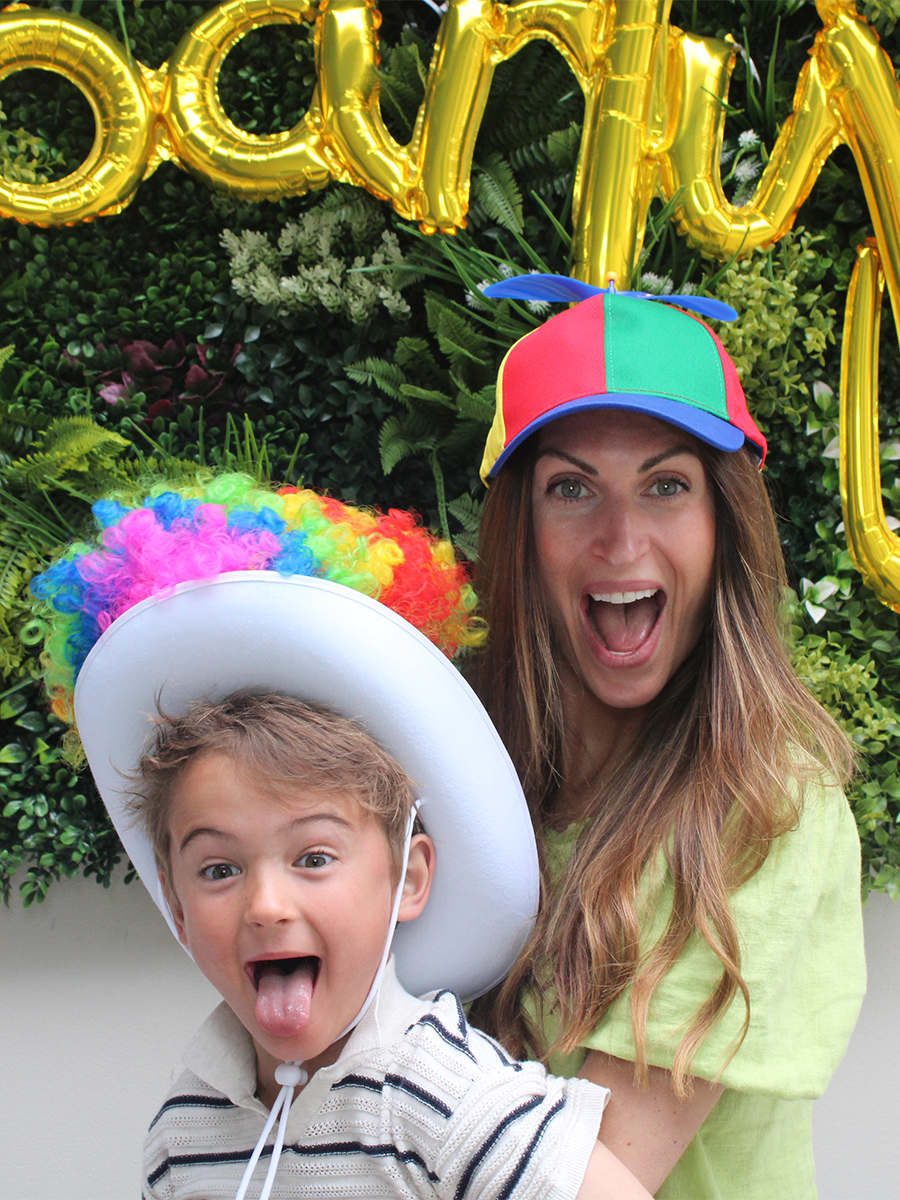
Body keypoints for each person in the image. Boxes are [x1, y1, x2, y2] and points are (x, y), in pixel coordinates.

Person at [30, 475, 653, 1200]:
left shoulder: (451, 1101)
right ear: (173, 904)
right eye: (219, 869)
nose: (266, 904)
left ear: (409, 878)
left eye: (314, 858)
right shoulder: (184, 1131)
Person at [467, 275, 867, 1200]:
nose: (620, 539)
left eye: (666, 486)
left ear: (725, 526)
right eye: (572, 488)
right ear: (518, 533)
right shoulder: (470, 783)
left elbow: (587, 1184)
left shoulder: (764, 808)